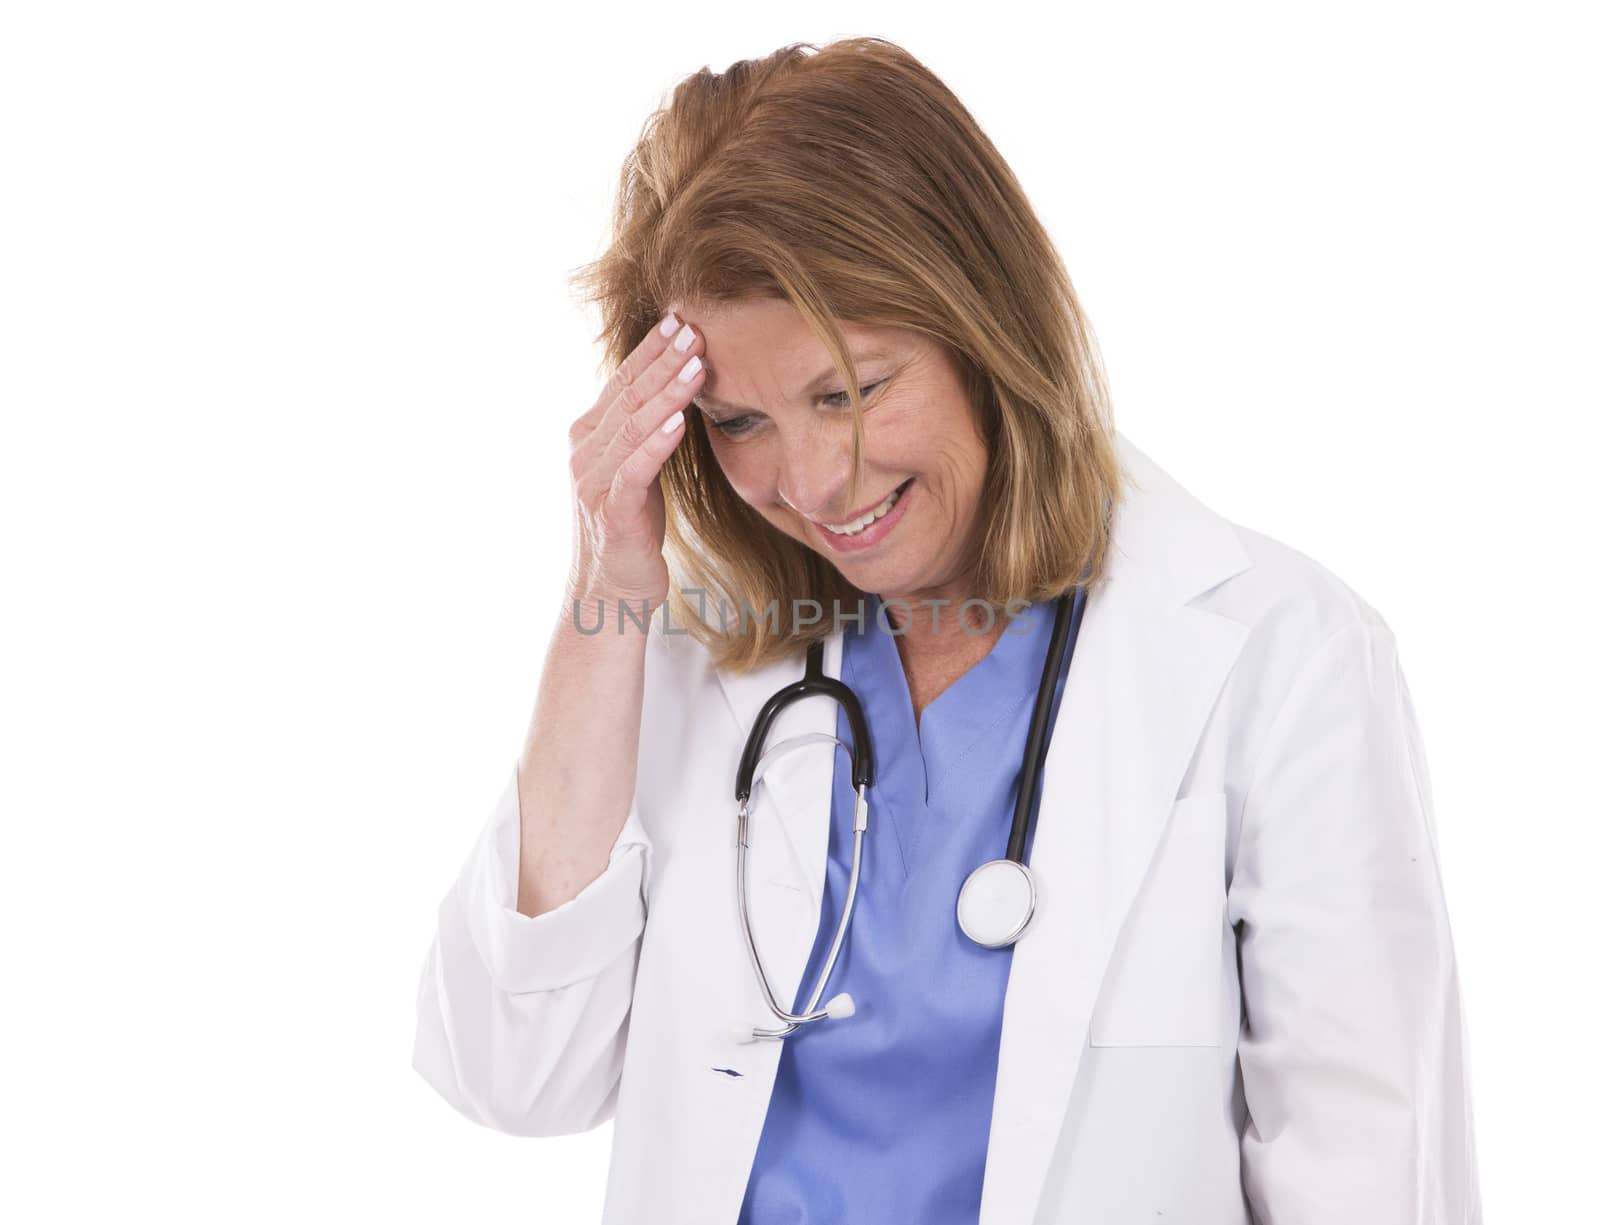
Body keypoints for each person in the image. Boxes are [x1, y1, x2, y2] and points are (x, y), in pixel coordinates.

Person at [410, 36, 1481, 1224]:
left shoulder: (1279, 656)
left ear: (982, 327)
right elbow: (515, 1075)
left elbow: (1371, 1177)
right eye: (738, 421)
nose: (810, 481)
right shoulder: (685, 658)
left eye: (851, 392)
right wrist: (603, 590)